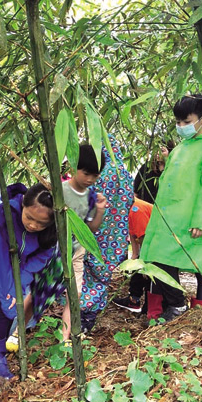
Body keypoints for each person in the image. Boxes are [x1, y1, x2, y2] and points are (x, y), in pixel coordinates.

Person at [140, 94, 202, 322]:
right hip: (166, 216)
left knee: (166, 259)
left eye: (186, 121)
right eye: (178, 122)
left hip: (187, 217)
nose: (181, 127)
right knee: (156, 258)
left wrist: (201, 220)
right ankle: (171, 305)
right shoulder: (181, 147)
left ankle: (177, 304)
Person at [0, 184, 58, 379]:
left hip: (22, 266)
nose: (33, 226)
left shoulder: (52, 231)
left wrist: (21, 281)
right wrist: (10, 288)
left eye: (41, 224)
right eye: (30, 218)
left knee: (9, 307)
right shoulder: (5, 214)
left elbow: (41, 258)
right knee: (6, 305)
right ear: (23, 205)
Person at [75, 134, 134, 333]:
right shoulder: (124, 174)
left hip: (95, 230)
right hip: (116, 236)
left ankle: (83, 312)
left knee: (88, 270)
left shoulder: (99, 173)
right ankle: (90, 314)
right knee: (102, 273)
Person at [60, 145, 107, 341]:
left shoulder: (90, 197)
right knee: (36, 293)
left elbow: (90, 231)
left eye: (95, 176)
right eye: (86, 173)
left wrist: (100, 211)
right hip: (54, 249)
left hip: (77, 252)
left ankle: (64, 338)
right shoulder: (59, 190)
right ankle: (15, 332)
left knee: (75, 295)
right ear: (73, 167)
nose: (90, 179)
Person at [113, 198, 153, 313]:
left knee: (147, 274)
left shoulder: (137, 210)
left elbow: (143, 238)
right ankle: (133, 300)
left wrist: (145, 261)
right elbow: (133, 233)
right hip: (146, 245)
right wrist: (134, 256)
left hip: (154, 246)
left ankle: (149, 307)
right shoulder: (128, 210)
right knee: (136, 266)